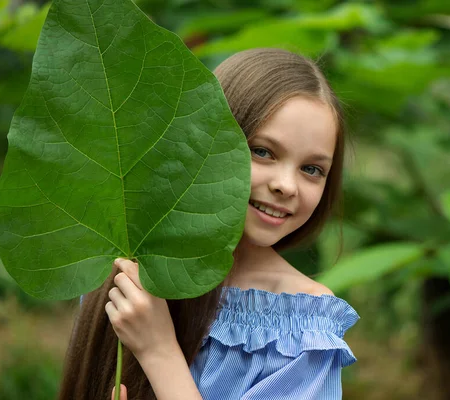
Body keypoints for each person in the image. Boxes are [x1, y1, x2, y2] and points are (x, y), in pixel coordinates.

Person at [58, 47, 359, 400]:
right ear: (205, 144)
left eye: (312, 169)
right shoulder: (128, 263)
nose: (286, 185)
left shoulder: (304, 327)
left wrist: (159, 352)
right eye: (262, 151)